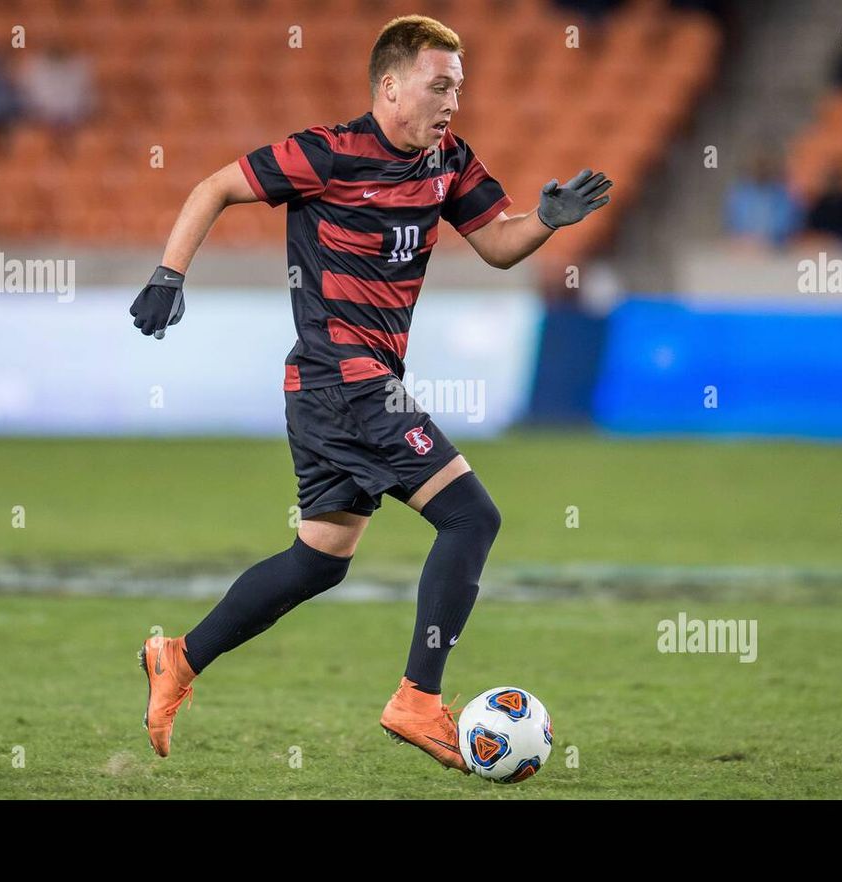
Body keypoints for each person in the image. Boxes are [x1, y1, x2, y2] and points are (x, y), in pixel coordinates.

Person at [128, 15, 613, 771]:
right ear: (390, 87)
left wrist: (546, 220)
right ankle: (418, 699)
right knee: (471, 516)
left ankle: (180, 659)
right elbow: (215, 186)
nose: (453, 100)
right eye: (439, 84)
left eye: (459, 86)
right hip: (344, 379)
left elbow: (497, 244)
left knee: (321, 557)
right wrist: (169, 273)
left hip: (343, 386)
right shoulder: (327, 152)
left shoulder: (448, 159)